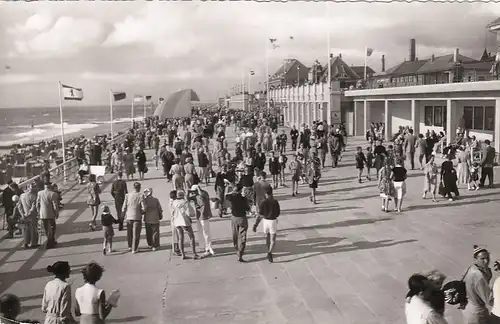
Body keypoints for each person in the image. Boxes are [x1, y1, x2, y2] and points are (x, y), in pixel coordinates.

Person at [462, 245, 493, 324]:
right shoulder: (478, 276)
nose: (486, 261)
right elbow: (489, 300)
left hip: (468, 309)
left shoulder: (471, 268)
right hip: (477, 314)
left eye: (487, 258)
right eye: (482, 259)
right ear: (475, 259)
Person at [253, 186, 280, 263]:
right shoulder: (275, 201)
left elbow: (260, 215)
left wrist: (255, 225)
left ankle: (268, 249)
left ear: (265, 194)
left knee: (267, 236)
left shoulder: (263, 202)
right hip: (273, 221)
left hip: (265, 221)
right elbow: (278, 213)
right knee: (273, 240)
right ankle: (270, 252)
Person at [170, 191, 199, 260]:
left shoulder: (174, 202)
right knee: (191, 237)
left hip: (177, 222)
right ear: (183, 196)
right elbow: (191, 213)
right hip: (184, 221)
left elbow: (172, 213)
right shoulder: (185, 202)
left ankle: (183, 254)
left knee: (180, 238)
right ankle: (194, 254)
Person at [226, 184, 250, 262]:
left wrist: (232, 191)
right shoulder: (243, 198)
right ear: (240, 190)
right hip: (242, 218)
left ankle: (236, 249)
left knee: (235, 235)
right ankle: (240, 252)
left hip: (234, 218)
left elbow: (226, 195)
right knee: (242, 236)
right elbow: (247, 208)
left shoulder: (231, 197)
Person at [190, 184, 214, 257]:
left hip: (204, 216)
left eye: (194, 191)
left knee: (206, 233)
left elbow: (203, 197)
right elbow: (187, 198)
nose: (193, 193)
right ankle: (204, 246)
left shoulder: (203, 194)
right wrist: (189, 192)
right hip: (199, 216)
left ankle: (208, 249)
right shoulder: (195, 195)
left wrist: (198, 190)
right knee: (201, 233)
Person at [122, 182, 143, 254]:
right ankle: (135, 248)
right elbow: (144, 207)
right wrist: (142, 212)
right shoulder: (141, 195)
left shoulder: (127, 195)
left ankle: (130, 246)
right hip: (137, 217)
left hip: (128, 216)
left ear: (133, 187)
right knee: (136, 234)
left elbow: (124, 207)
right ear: (139, 187)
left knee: (129, 233)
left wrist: (123, 216)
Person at [36, 182, 59, 249]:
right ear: (50, 186)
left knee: (46, 228)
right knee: (52, 228)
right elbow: (55, 205)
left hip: (42, 213)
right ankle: (50, 241)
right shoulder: (53, 194)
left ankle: (50, 239)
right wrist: (56, 213)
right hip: (50, 213)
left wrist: (38, 211)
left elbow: (37, 203)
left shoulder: (39, 193)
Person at [18, 184, 39, 248]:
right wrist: (28, 213)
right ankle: (33, 243)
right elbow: (33, 207)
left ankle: (26, 243)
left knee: (25, 230)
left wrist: (22, 214)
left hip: (24, 216)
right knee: (33, 229)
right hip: (31, 215)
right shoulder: (34, 196)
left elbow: (19, 206)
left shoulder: (22, 195)